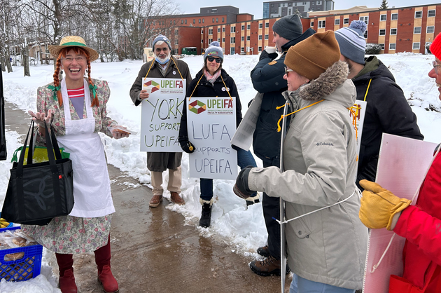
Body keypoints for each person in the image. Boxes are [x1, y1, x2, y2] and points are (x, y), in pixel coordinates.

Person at [234, 31, 368, 292]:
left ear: (309, 75)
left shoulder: (323, 117)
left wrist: (257, 178)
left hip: (328, 253)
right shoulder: (312, 107)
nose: (284, 76)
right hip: (317, 244)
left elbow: (326, 186)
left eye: (289, 70)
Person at [25, 36, 128, 293]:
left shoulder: (99, 89)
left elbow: (103, 121)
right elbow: (42, 139)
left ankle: (105, 268)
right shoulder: (47, 94)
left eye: (79, 57)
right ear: (60, 62)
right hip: (63, 164)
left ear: (86, 62)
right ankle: (67, 273)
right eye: (68, 57)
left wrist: (114, 129)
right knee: (64, 219)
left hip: (92, 164)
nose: (74, 63)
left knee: (98, 215)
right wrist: (41, 124)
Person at [358, 32, 441, 293]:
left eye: (437, 64)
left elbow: (408, 140)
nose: (431, 74)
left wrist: (401, 217)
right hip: (418, 271)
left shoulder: (382, 89)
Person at [249, 14, 315, 276]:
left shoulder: (293, 56)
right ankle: (277, 244)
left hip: (281, 140)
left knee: (274, 198)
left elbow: (259, 78)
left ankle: (278, 257)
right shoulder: (292, 52)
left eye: (276, 34)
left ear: (286, 35)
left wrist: (264, 59)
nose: (273, 39)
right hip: (278, 136)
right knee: (275, 196)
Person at [335, 21, 424, 189]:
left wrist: (363, 181)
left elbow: (408, 141)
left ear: (347, 56)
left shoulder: (383, 89)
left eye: (332, 53)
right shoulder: (337, 85)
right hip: (338, 184)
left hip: (365, 192)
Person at [178, 42, 258, 228]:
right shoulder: (196, 83)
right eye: (210, 58)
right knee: (207, 169)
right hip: (204, 137)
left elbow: (237, 112)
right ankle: (206, 204)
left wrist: (240, 137)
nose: (214, 62)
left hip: (227, 136)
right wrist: (183, 137)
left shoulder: (228, 82)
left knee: (249, 164)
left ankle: (251, 196)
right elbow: (186, 112)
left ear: (221, 62)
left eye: (217, 59)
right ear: (205, 59)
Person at [130, 34, 192, 208]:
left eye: (165, 49)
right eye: (158, 49)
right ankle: (157, 192)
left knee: (175, 157)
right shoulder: (146, 69)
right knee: (155, 158)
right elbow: (134, 89)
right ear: (154, 51)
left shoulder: (181, 67)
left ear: (170, 50)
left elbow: (191, 89)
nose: (162, 52)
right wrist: (138, 95)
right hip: (155, 124)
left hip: (175, 121)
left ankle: (174, 190)